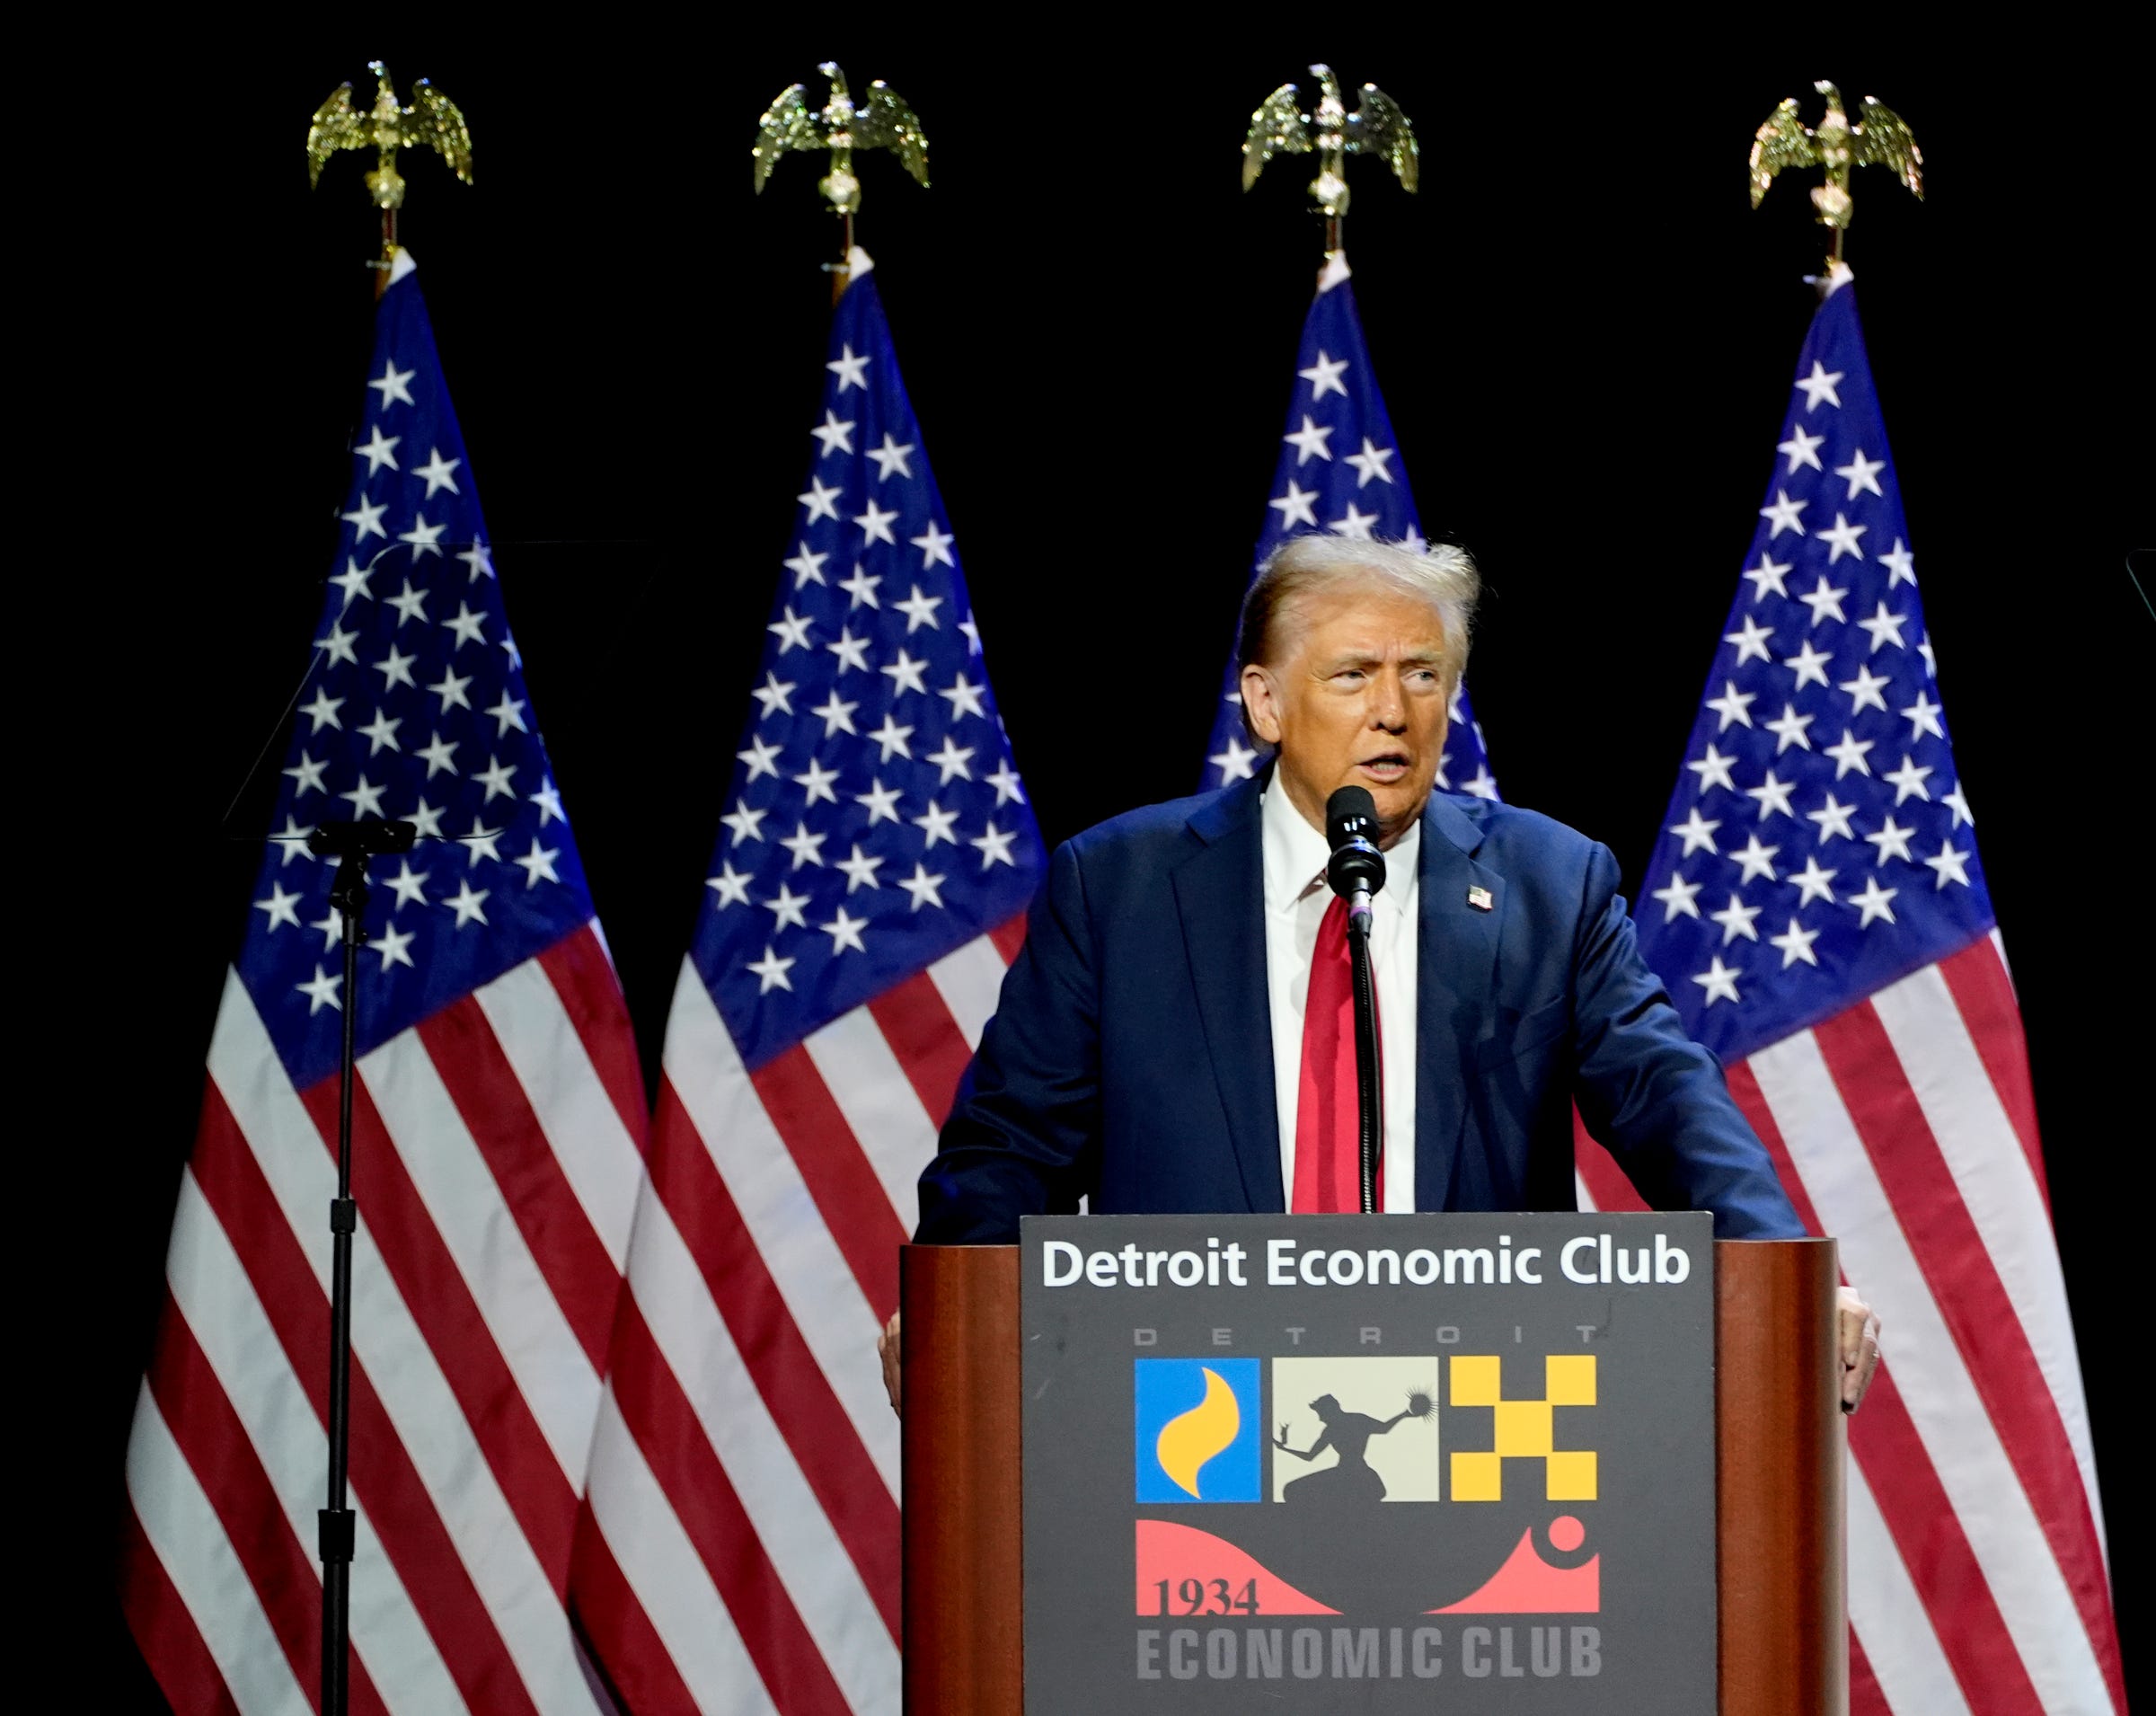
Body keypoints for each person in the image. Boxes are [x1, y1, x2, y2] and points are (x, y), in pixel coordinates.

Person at [882, 535, 1879, 1411]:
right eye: (1353, 674)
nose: (1394, 712)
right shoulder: (1121, 887)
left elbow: (1666, 1095)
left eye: (1424, 674)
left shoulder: (1546, 882)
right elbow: (1013, 1145)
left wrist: (1784, 1276)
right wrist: (955, 1308)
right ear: (1266, 701)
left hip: (1478, 1398)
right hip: (1191, 1402)